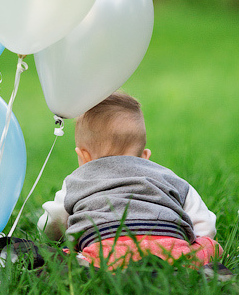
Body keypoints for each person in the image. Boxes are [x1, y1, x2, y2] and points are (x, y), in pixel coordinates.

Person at [38, 91, 224, 272]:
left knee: (63, 257)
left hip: (104, 254)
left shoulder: (76, 181)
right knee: (209, 247)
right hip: (172, 252)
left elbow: (52, 222)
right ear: (145, 156)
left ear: (83, 156)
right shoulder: (170, 178)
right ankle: (195, 267)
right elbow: (205, 225)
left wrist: (49, 235)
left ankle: (87, 264)